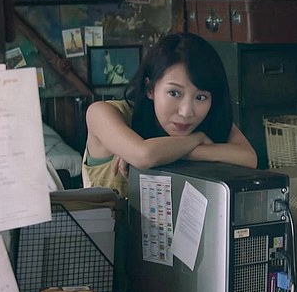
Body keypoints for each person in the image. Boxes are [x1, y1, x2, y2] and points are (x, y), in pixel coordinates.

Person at [83, 32, 257, 197]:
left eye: (201, 97)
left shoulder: (210, 118)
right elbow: (144, 155)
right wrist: (197, 139)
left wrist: (171, 152)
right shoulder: (101, 112)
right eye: (174, 93)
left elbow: (249, 158)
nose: (186, 112)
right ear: (150, 89)